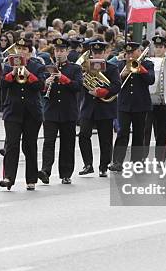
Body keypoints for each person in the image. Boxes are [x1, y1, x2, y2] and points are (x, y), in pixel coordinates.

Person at [0, 37, 45, 190]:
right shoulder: (8, 65)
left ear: (29, 52)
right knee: (12, 144)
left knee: (29, 145)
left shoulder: (37, 66)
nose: (21, 52)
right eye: (19, 49)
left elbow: (40, 85)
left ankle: (31, 179)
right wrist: (13, 73)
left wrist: (27, 73)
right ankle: (8, 177)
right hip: (13, 111)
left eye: (25, 49)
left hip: (32, 112)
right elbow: (2, 84)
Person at [38, 38, 83, 185]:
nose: (59, 53)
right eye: (57, 51)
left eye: (62, 51)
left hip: (68, 112)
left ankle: (66, 173)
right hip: (50, 111)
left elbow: (78, 87)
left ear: (67, 52)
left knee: (67, 143)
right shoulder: (48, 68)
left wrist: (64, 79)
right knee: (48, 142)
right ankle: (45, 171)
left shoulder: (75, 69)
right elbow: (40, 88)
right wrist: (46, 83)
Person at [78, 40, 121, 177]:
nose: (97, 55)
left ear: (104, 53)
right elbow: (79, 85)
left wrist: (103, 91)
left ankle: (103, 166)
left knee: (105, 139)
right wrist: (84, 81)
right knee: (83, 135)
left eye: (99, 53)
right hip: (88, 107)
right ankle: (88, 164)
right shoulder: (85, 68)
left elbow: (116, 86)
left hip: (105, 107)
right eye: (94, 53)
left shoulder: (112, 68)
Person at [110, 42, 155, 171]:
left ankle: (136, 161)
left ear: (139, 52)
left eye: (132, 53)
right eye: (128, 53)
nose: (130, 56)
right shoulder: (119, 65)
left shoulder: (147, 64)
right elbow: (114, 84)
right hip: (124, 104)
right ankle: (117, 161)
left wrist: (140, 69)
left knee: (139, 134)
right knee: (122, 132)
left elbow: (151, 80)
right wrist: (122, 75)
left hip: (141, 104)